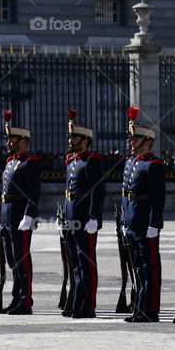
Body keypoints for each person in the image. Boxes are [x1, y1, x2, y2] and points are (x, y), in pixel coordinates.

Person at [121, 107, 165, 322]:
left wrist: (154, 223)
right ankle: (139, 307)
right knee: (137, 267)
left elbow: (158, 198)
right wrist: (124, 219)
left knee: (149, 268)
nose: (131, 142)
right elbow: (125, 194)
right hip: (132, 220)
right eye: (131, 138)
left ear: (146, 141)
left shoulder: (153, 165)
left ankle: (151, 309)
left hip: (145, 222)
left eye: (135, 138)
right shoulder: (130, 162)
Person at [61, 110, 105, 318]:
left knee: (85, 261)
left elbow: (98, 190)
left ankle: (88, 305)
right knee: (75, 262)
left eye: (74, 137)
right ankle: (77, 300)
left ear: (85, 140)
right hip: (71, 216)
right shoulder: (71, 160)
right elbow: (68, 190)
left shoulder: (91, 160)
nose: (71, 140)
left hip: (84, 218)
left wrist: (94, 217)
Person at [0, 112, 41, 315]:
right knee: (12, 261)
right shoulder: (10, 162)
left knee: (22, 260)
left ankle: (25, 301)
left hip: (20, 216)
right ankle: (17, 298)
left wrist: (29, 215)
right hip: (7, 216)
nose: (8, 144)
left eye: (12, 140)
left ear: (23, 142)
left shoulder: (30, 163)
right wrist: (1, 219)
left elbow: (33, 193)